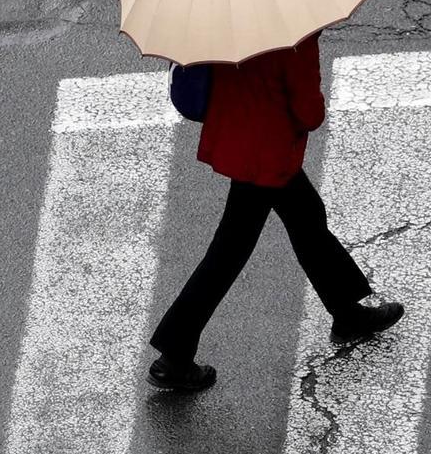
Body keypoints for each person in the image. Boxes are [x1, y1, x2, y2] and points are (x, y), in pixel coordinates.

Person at [147, 29, 405, 392]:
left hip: (239, 138)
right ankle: (174, 353)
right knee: (230, 252)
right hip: (268, 153)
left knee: (307, 219)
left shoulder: (226, 15)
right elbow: (308, 112)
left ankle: (347, 312)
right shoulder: (295, 34)